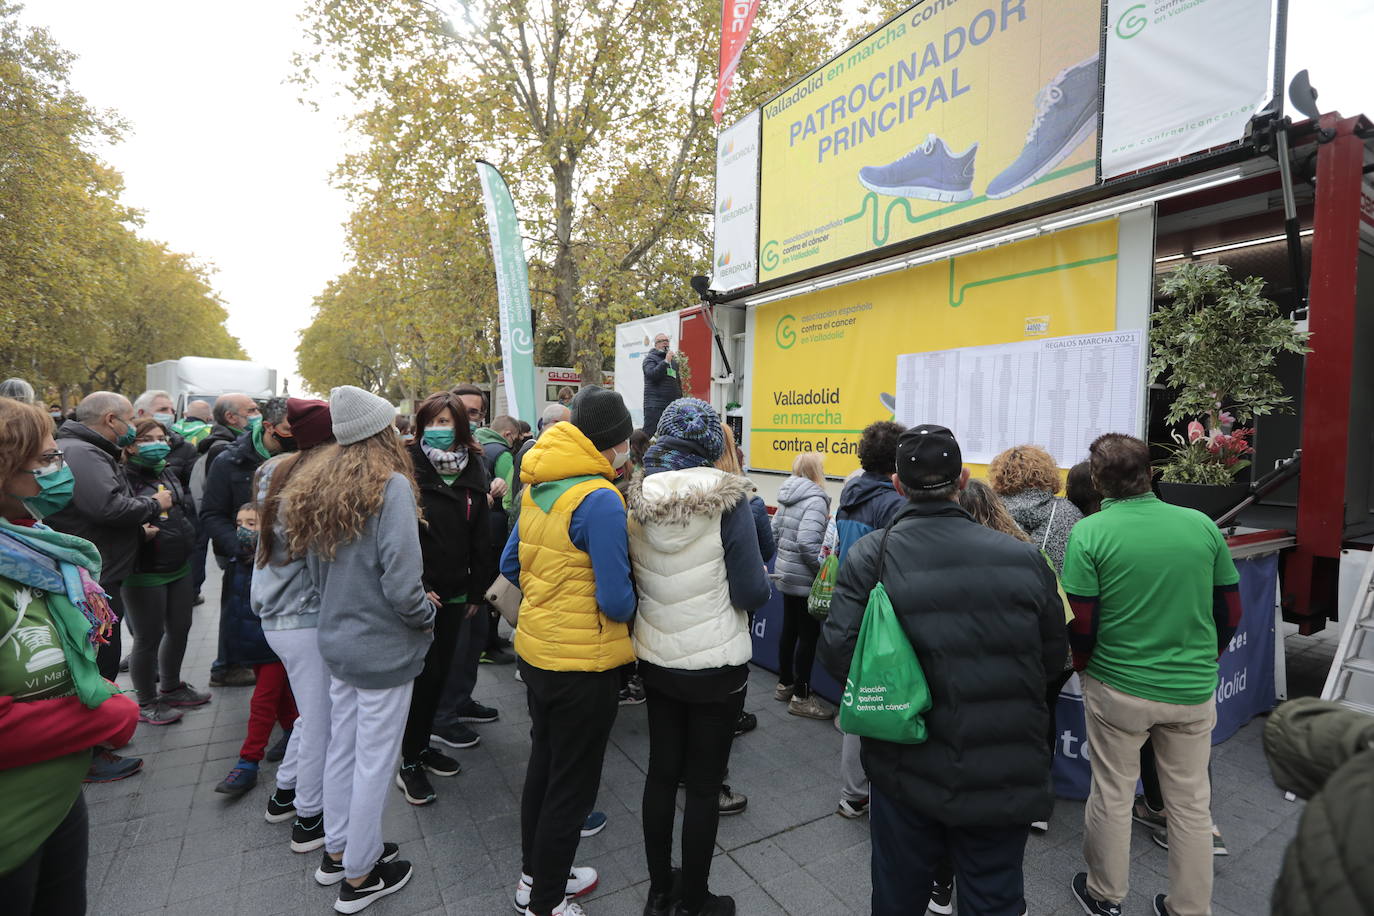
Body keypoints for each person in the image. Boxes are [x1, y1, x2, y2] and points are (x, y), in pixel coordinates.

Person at [819, 424, 1067, 916]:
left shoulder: (874, 555)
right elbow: (1052, 659)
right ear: (964, 481)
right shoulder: (1024, 559)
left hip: (904, 762)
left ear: (897, 485)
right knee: (994, 898)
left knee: (898, 894)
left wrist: (904, 692)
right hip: (1002, 765)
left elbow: (838, 652)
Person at [1063, 433, 1240, 916]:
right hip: (1191, 687)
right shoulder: (1200, 525)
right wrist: (1207, 657)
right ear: (1152, 473)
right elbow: (1230, 608)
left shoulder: (1091, 532)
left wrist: (1084, 669)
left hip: (1116, 687)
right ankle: (1189, 907)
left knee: (1113, 792)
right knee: (1189, 803)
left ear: (1097, 481)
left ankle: (1104, 894)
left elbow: (1082, 621)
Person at [284, 385, 433, 912]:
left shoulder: (318, 483)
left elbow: (310, 573)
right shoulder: (389, 486)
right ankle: (360, 874)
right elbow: (402, 583)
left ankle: (340, 848)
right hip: (382, 646)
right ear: (383, 432)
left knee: (344, 749)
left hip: (338, 640)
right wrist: (426, 615)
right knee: (374, 760)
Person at [498, 384, 638, 916]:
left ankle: (536, 878)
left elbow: (511, 565)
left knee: (545, 767)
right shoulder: (601, 498)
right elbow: (618, 600)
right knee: (572, 787)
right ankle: (547, 903)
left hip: (536, 653)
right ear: (614, 443)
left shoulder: (538, 484)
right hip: (584, 665)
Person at [627, 399, 770, 916]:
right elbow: (752, 590)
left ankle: (660, 889)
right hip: (717, 666)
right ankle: (696, 899)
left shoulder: (635, 494)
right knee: (705, 786)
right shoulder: (728, 499)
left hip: (657, 657)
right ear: (712, 443)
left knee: (661, 773)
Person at [0, 398, 140, 914]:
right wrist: (104, 714)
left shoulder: (34, 548)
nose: (61, 469)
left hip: (56, 800)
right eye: (46, 460)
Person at [46, 392, 170, 784]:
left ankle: (97, 739)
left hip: (100, 574)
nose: (135, 426)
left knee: (103, 653)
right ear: (112, 419)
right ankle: (89, 751)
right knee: (97, 659)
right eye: (132, 419)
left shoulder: (87, 449)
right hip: (91, 580)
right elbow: (109, 508)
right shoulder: (83, 453)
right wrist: (153, 503)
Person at [396, 391, 493, 805]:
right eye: (431, 422)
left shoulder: (475, 466)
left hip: (456, 594)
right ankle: (408, 763)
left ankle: (421, 746)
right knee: (417, 681)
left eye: (446, 421)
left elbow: (481, 536)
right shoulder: (405, 468)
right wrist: (416, 584)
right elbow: (397, 538)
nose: (439, 430)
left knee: (439, 677)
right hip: (419, 595)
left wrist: (477, 590)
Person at [251, 397, 335, 851]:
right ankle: (309, 818)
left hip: (279, 614)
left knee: (311, 713)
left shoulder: (276, 469)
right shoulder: (312, 478)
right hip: (303, 617)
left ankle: (285, 793)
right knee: (323, 720)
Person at [829, 421, 906, 820]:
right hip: (879, 611)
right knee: (876, 699)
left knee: (856, 698)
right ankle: (867, 791)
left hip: (849, 601)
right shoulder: (893, 504)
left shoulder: (849, 494)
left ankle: (854, 793)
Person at [201, 397, 294, 688]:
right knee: (241, 623)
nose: (297, 435)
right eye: (289, 428)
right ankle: (231, 668)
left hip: (290, 563)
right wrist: (240, 546)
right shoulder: (229, 460)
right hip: (245, 562)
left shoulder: (304, 457)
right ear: (269, 427)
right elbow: (212, 514)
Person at [120, 417, 208, 727]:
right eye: (149, 439)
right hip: (144, 571)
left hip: (178, 565)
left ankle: (171, 686)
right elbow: (115, 517)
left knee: (181, 627)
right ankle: (146, 701)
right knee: (148, 638)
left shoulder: (168, 472)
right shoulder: (121, 476)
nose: (159, 443)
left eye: (162, 437)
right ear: (130, 445)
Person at [214, 503, 301, 798]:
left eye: (251, 523)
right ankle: (292, 731)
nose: (242, 529)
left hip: (274, 641)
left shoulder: (275, 561)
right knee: (279, 697)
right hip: (250, 642)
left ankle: (248, 761)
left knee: (263, 700)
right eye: (239, 522)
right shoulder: (237, 560)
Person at [770, 451, 832, 720]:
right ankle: (802, 697)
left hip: (785, 574)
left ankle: (785, 683)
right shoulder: (816, 500)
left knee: (790, 629)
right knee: (808, 635)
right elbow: (808, 544)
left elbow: (773, 533)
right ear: (817, 471)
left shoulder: (786, 494)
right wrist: (822, 571)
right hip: (805, 579)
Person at [189, 392, 259, 614]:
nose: (258, 415)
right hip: (238, 545)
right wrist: (238, 545)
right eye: (251, 410)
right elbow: (213, 505)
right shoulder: (224, 449)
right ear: (231, 417)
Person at [988, 445, 1083, 573]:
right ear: (1048, 473)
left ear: (999, 476)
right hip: (1056, 591)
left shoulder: (990, 512)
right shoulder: (1069, 512)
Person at [132, 390, 197, 487]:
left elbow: (191, 489)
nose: (170, 415)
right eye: (163, 410)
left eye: (172, 411)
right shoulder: (123, 443)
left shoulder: (185, 448)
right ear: (141, 413)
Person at [641, 332, 682, 437]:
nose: (665, 343)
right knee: (648, 434)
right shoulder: (650, 359)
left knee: (671, 434)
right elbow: (652, 375)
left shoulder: (673, 362)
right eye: (662, 341)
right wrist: (665, 361)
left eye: (667, 341)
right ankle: (638, 453)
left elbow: (677, 383)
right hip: (655, 405)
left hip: (672, 406)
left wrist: (680, 401)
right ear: (656, 344)